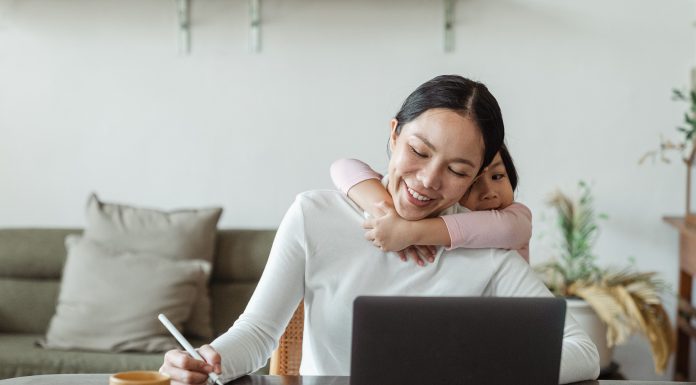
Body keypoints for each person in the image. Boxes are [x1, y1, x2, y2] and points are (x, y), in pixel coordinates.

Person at [160, 75, 600, 385]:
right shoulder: (315, 216)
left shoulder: (485, 249)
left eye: (457, 170)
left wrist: (479, 370)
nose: (428, 180)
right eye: (418, 151)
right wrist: (205, 361)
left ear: (476, 178)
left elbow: (583, 352)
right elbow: (257, 335)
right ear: (393, 135)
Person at [329, 144, 531, 266]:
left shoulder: (516, 217)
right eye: (472, 183)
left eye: (498, 176)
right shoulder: (435, 209)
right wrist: (389, 215)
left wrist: (410, 231)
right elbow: (344, 167)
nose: (489, 193)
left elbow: (507, 228)